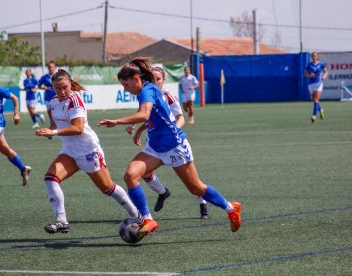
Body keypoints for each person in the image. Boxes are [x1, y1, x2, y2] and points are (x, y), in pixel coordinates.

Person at [98, 57, 242, 240]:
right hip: (155, 147)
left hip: (174, 146)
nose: (124, 89)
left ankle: (231, 209)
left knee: (196, 188)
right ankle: (148, 219)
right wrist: (139, 131)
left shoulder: (147, 90)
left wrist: (117, 121)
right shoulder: (145, 91)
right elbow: (151, 118)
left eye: (125, 84)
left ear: (135, 79)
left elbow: (144, 114)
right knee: (131, 175)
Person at [35, 69, 139, 234]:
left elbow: (78, 128)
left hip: (88, 150)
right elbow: (58, 123)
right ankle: (61, 220)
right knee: (50, 179)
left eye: (64, 87)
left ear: (70, 84)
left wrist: (53, 132)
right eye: (57, 89)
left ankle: (137, 214)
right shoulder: (54, 102)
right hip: (70, 151)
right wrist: (48, 129)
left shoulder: (75, 100)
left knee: (107, 188)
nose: (62, 92)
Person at [125, 66, 210, 219]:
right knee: (144, 172)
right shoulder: (147, 94)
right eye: (153, 78)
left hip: (173, 142)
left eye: (158, 79)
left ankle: (202, 202)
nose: (155, 81)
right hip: (154, 142)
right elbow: (148, 117)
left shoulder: (168, 97)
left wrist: (171, 132)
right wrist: (137, 129)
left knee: (191, 180)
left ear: (164, 80)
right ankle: (162, 193)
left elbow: (180, 118)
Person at [304, 52, 328, 123]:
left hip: (319, 83)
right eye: (312, 56)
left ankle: (314, 116)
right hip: (311, 84)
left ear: (317, 57)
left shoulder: (321, 64)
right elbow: (305, 74)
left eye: (315, 56)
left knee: (316, 99)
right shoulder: (309, 64)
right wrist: (309, 75)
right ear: (311, 57)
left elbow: (326, 72)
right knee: (313, 99)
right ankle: (320, 110)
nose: (314, 57)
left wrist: (324, 76)